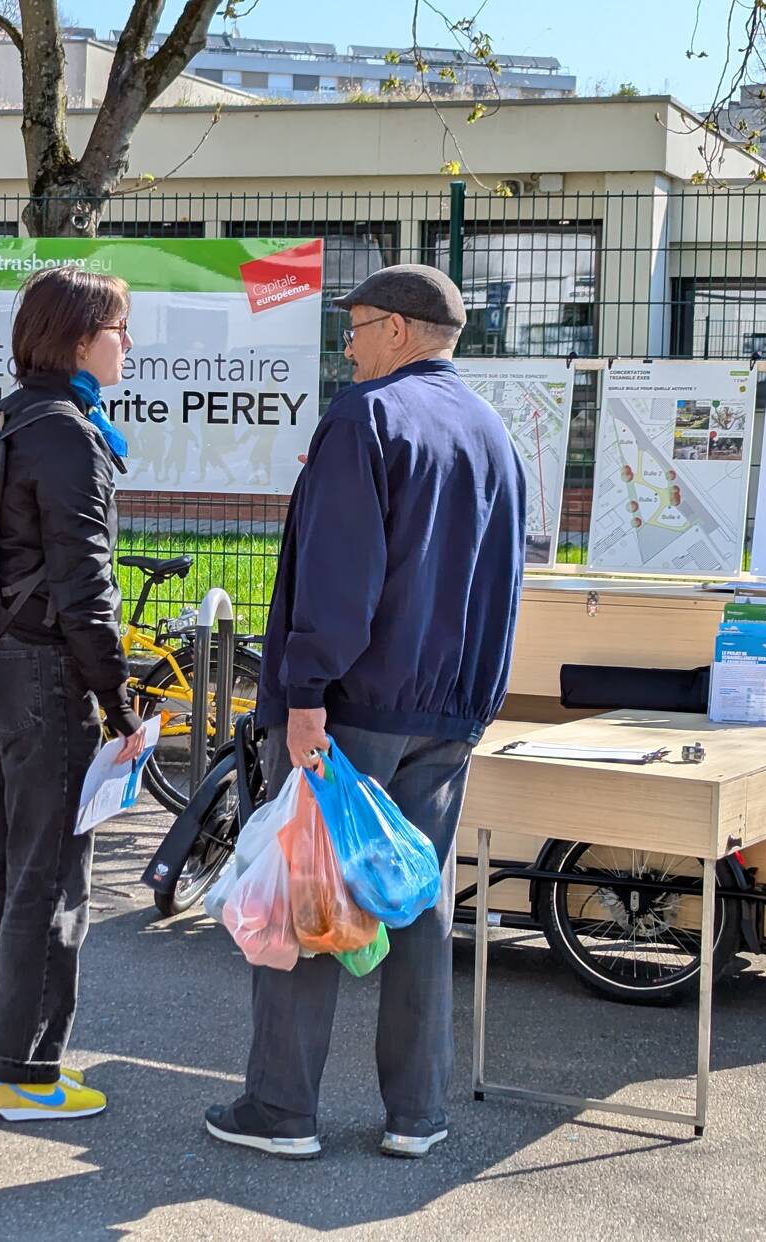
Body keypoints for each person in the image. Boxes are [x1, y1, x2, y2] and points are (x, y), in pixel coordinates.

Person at [204, 264, 526, 1161]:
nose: (346, 348)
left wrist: (305, 695)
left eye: (355, 328)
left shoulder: (366, 417)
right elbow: (507, 581)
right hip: (449, 712)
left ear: (398, 330)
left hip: (352, 710)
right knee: (416, 902)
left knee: (310, 897)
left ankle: (282, 1110)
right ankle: (417, 1115)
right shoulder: (493, 432)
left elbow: (340, 578)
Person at [0, 266, 147, 1123]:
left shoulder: (2, 419)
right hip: (46, 674)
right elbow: (86, 585)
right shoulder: (69, 434)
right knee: (54, 879)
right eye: (118, 328)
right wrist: (118, 697)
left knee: (6, 867)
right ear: (79, 339)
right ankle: (27, 1074)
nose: (128, 343)